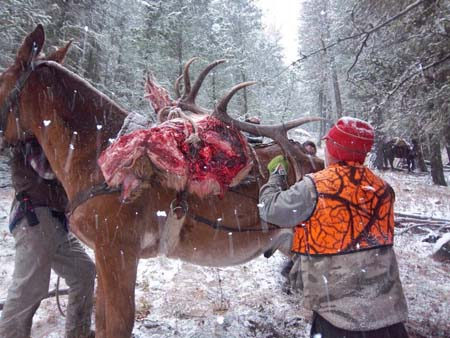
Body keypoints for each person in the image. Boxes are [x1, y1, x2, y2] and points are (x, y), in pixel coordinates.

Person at [259, 117, 409, 338]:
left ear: (333, 150)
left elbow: (269, 209)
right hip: (385, 305)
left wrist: (277, 176)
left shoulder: (315, 187)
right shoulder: (383, 188)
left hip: (338, 311)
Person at [0, 138, 96, 338]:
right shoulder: (31, 139)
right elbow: (48, 170)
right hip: (35, 219)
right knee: (29, 288)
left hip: (54, 222)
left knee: (84, 272)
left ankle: (78, 333)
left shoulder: (47, 136)